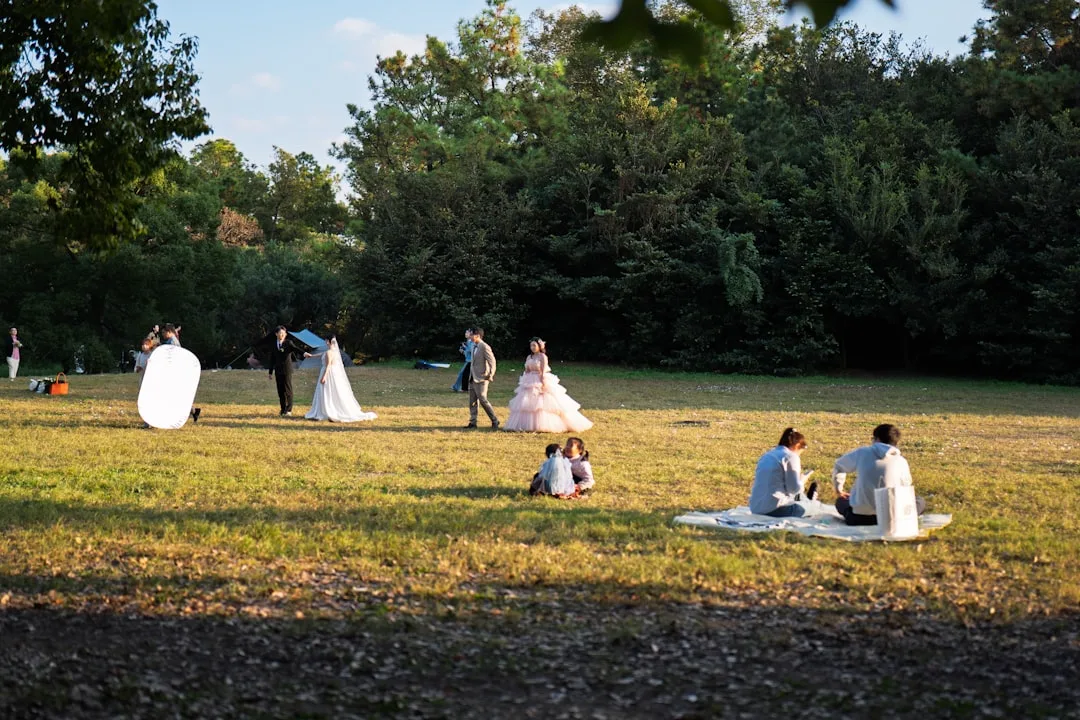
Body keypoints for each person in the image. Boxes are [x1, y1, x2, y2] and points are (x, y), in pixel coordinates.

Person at [832, 423, 925, 526]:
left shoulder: (862, 452)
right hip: (893, 519)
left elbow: (839, 465)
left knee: (841, 501)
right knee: (919, 501)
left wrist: (839, 489)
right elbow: (905, 489)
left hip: (859, 518)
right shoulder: (902, 461)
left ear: (877, 438)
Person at [503, 338, 593, 433]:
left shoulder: (542, 356)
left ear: (539, 346)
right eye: (531, 345)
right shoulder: (529, 357)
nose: (532, 347)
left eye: (534, 345)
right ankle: (527, 424)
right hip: (529, 379)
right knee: (527, 403)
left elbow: (543, 371)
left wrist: (543, 382)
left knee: (543, 403)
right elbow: (527, 370)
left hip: (540, 379)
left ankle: (546, 424)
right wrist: (525, 379)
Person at [748, 428, 822, 517]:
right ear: (797, 445)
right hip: (776, 509)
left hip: (756, 508)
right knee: (815, 508)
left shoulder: (767, 455)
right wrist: (802, 480)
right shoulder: (791, 457)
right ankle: (811, 501)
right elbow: (794, 489)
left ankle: (805, 500)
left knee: (798, 497)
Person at [305, 335, 377, 423]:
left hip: (328, 373)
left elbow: (328, 365)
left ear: (328, 341)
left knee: (326, 391)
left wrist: (324, 376)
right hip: (333, 374)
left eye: (326, 340)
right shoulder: (334, 351)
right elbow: (322, 354)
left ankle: (326, 411)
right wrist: (311, 356)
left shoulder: (329, 352)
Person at [158, 324, 202, 422]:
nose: (163, 334)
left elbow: (173, 357)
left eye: (164, 332)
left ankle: (191, 411)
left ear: (169, 332)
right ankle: (193, 411)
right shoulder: (170, 341)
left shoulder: (173, 342)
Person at [268, 326, 309, 417]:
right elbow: (272, 359)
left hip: (287, 370)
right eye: (280, 333)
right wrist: (270, 372)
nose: (282, 335)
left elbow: (296, 349)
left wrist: (304, 353)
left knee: (288, 389)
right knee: (280, 390)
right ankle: (283, 409)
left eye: (283, 333)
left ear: (285, 334)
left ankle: (289, 410)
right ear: (276, 334)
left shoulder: (288, 343)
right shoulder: (273, 344)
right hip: (278, 370)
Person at [465, 328, 500, 429]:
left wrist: (491, 374)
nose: (470, 337)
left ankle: (495, 420)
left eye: (472, 335)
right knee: (472, 401)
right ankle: (473, 422)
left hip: (482, 378)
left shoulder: (484, 346)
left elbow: (492, 361)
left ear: (478, 336)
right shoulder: (473, 345)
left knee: (483, 400)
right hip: (473, 377)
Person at [451, 328, 475, 393]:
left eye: (467, 333)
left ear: (471, 334)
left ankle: (458, 387)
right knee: (463, 374)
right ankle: (458, 387)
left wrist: (465, 347)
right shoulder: (468, 342)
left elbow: (471, 350)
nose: (465, 334)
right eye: (465, 332)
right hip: (468, 360)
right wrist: (463, 350)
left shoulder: (471, 342)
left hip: (471, 361)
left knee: (463, 374)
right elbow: (467, 353)